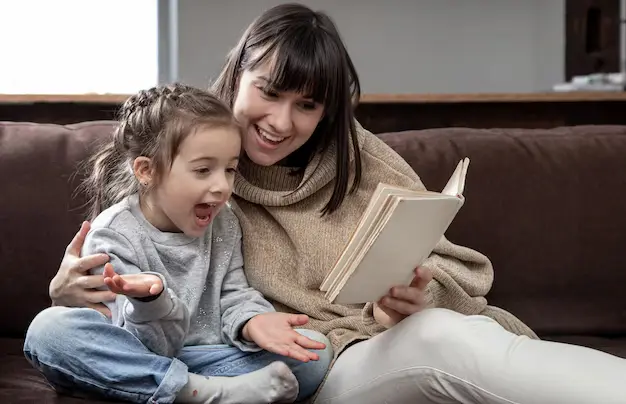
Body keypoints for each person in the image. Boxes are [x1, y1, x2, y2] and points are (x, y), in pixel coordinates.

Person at [34, 3, 626, 403]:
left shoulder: (356, 154)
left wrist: (410, 298)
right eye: (268, 92)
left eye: (308, 106)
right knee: (53, 327)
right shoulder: (182, 143)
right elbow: (123, 259)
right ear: (238, 75)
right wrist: (73, 292)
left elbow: (449, 266)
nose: (281, 123)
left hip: (330, 354)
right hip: (217, 356)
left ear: (328, 112)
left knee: (450, 338)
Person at [23, 83, 333, 404]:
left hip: (207, 359)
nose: (221, 186)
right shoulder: (113, 235)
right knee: (49, 332)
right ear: (147, 170)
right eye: (203, 170)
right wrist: (152, 303)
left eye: (229, 169)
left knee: (314, 354)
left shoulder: (224, 222)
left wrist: (252, 320)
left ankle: (182, 389)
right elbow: (143, 346)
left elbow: (233, 293)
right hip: (139, 356)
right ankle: (201, 393)